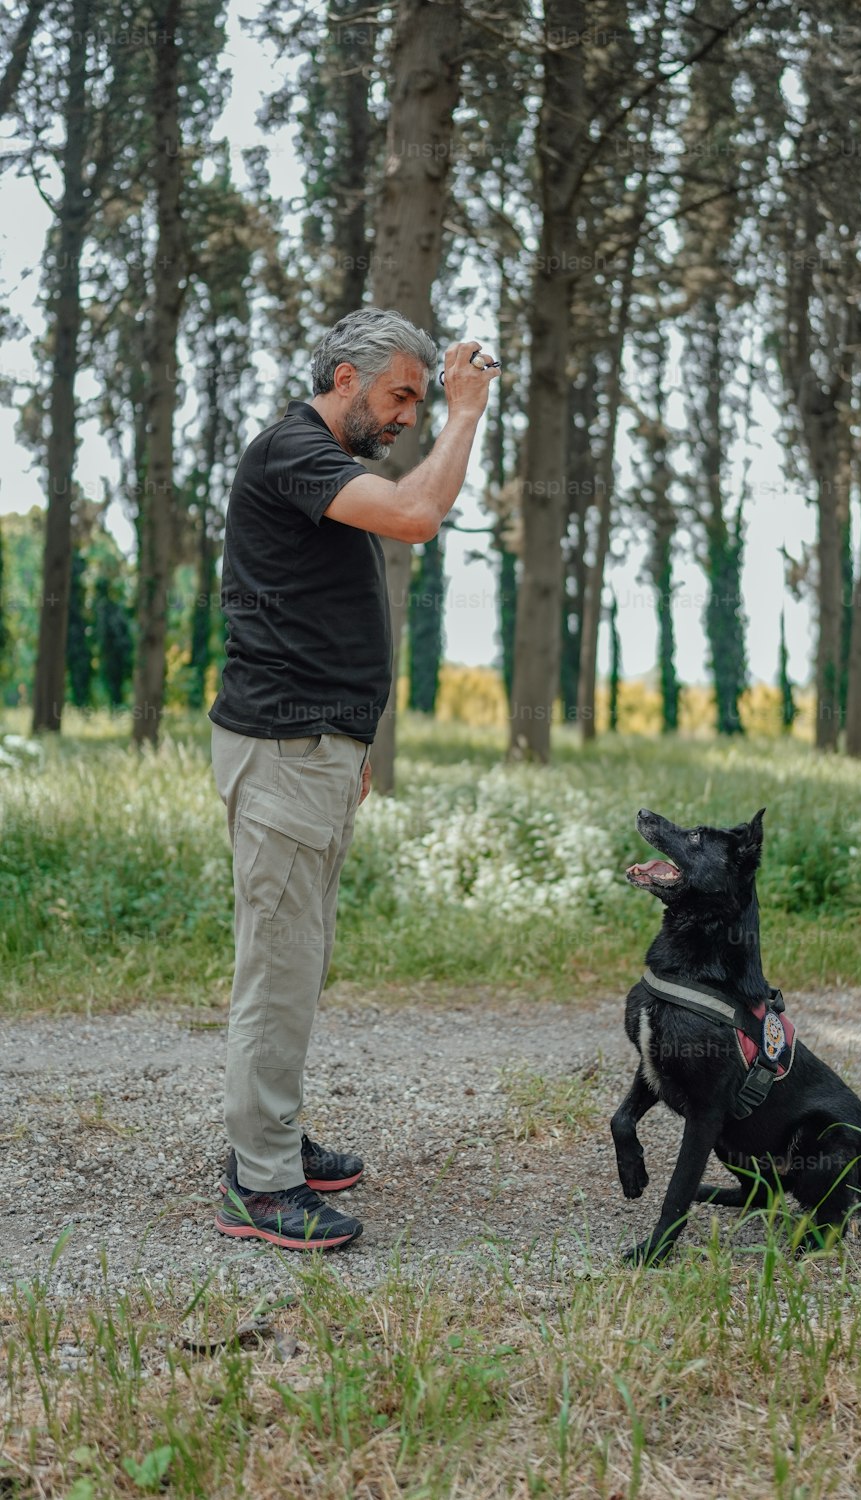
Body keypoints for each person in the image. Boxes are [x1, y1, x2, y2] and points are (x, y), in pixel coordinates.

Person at [208, 307, 499, 1250]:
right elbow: (417, 517)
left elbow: (319, 610)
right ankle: (260, 1183)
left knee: (299, 959)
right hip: (285, 754)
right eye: (400, 395)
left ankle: (271, 1138)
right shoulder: (289, 450)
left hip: (320, 750)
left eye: (422, 397)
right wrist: (467, 412)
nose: (411, 413)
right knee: (279, 973)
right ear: (344, 378)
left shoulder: (319, 465)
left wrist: (354, 739)